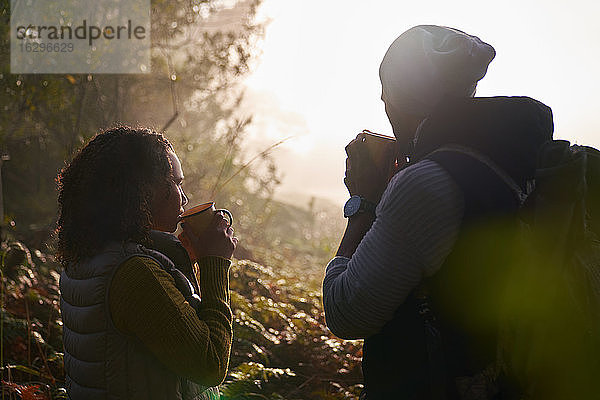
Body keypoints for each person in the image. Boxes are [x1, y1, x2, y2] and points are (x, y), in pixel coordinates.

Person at [322, 25, 554, 399]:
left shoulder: (428, 183)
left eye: (386, 98)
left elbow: (346, 311)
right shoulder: (516, 159)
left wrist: (363, 203)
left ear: (401, 100)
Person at [57, 127, 237, 400]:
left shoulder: (91, 254)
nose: (184, 198)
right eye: (176, 183)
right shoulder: (135, 273)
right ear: (141, 191)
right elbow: (209, 365)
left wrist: (183, 262)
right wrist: (215, 263)